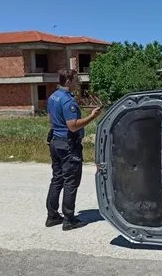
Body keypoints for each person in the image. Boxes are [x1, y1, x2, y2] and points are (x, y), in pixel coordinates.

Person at [45, 68, 102, 231]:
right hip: (68, 145)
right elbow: (73, 125)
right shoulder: (67, 101)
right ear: (68, 81)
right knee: (71, 181)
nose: (78, 83)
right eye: (76, 80)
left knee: (57, 179)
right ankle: (69, 219)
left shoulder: (53, 96)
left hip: (56, 142)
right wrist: (93, 116)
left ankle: (52, 215)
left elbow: (52, 119)